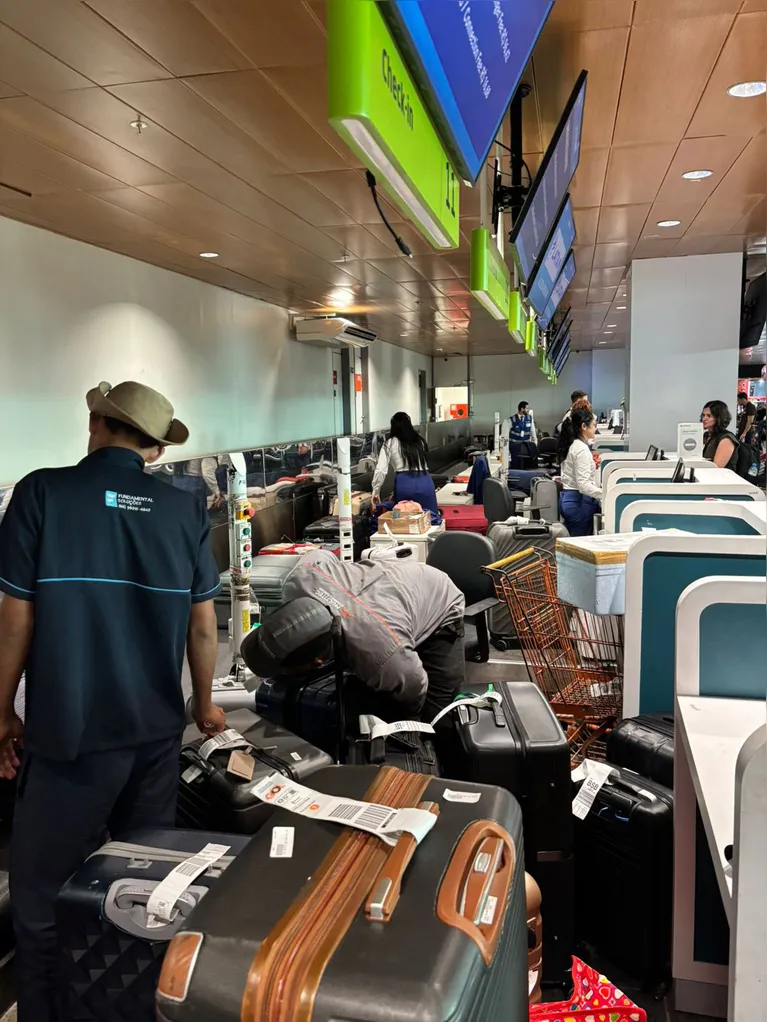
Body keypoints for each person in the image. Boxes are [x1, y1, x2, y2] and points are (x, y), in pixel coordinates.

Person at [0, 380, 227, 1022]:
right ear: (154, 449)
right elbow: (203, 624)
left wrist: (0, 713)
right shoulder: (185, 510)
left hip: (70, 740)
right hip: (154, 738)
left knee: (43, 901)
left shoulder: (41, 492)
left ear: (95, 422)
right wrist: (204, 706)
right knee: (147, 891)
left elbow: (15, 620)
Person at [244, 549, 466, 724]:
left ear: (317, 662)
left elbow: (414, 686)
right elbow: (321, 554)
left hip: (439, 599)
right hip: (387, 590)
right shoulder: (299, 579)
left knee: (436, 717)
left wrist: (408, 725)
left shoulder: (380, 655)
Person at [371, 411, 438, 515]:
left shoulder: (390, 443)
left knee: (404, 522)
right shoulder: (420, 441)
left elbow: (380, 470)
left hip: (404, 484)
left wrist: (375, 492)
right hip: (425, 482)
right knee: (430, 520)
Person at [558, 407, 602, 537]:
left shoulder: (573, 445)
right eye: (593, 425)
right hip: (578, 503)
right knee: (578, 551)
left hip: (569, 498)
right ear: (584, 426)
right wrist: (607, 495)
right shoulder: (581, 449)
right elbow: (583, 486)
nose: (595, 429)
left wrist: (592, 465)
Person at [701, 400, 739, 470]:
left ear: (719, 418)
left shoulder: (726, 439)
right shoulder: (708, 435)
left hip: (723, 478)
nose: (704, 419)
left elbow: (717, 468)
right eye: (703, 415)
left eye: (709, 416)